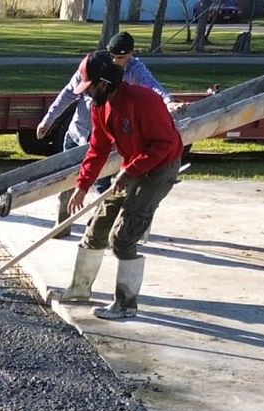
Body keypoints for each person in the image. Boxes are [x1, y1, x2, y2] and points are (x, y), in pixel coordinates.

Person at [54, 49, 184, 320]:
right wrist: (82, 184)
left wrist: (129, 171)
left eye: (90, 88)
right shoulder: (100, 107)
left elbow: (165, 144)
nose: (87, 94)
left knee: (123, 237)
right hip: (134, 164)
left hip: (160, 167)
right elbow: (97, 149)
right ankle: (79, 289)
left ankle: (126, 304)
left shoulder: (144, 100)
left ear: (105, 82)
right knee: (97, 226)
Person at [37, 31, 172, 222]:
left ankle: (98, 222)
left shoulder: (134, 73)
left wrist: (168, 102)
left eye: (121, 57)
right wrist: (48, 119)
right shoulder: (94, 68)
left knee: (103, 184)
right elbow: (68, 93)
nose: (116, 61)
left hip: (108, 138)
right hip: (79, 133)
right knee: (68, 182)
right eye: (113, 56)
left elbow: (154, 88)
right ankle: (64, 223)